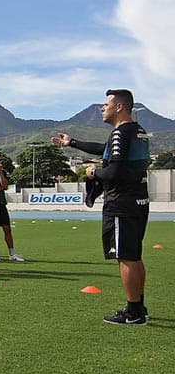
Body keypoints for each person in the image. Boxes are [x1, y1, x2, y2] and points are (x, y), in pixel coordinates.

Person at [51, 89, 149, 325]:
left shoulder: (119, 133)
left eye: (106, 105)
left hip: (121, 203)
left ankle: (133, 312)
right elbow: (104, 149)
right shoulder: (137, 131)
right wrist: (71, 142)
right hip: (138, 201)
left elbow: (113, 171)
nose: (101, 109)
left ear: (119, 107)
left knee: (125, 257)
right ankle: (139, 306)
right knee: (134, 256)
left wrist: (95, 172)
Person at [0, 152, 24, 262]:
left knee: (7, 229)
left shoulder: (1, 171)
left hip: (1, 204)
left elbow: (5, 186)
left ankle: (12, 253)